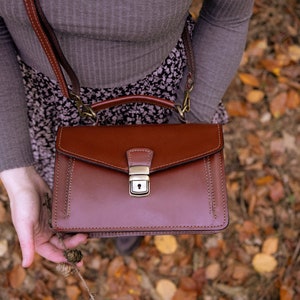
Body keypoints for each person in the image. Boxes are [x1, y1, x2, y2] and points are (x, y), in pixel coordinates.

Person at [0, 0, 254, 268]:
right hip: (39, 100)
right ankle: (107, 216)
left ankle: (132, 223)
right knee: (72, 186)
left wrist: (186, 125)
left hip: (164, 99)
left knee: (149, 186)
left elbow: (227, 16)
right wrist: (17, 174)